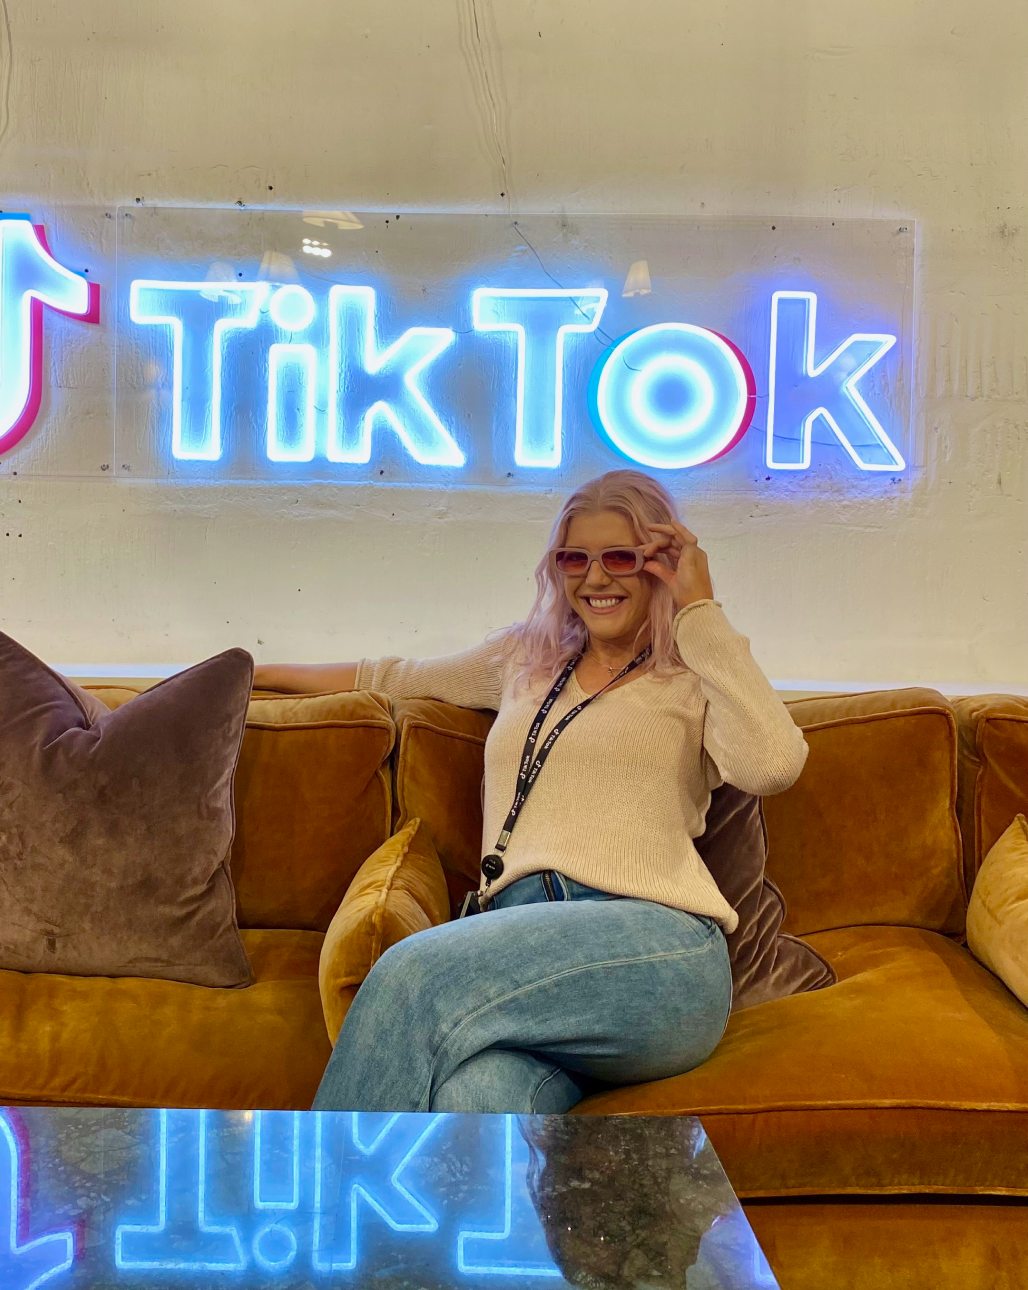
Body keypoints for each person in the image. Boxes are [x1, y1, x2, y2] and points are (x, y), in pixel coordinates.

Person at [254, 470, 807, 1114]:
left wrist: (700, 611)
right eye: (576, 558)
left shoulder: (692, 675)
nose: (595, 579)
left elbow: (774, 764)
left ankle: (323, 1211)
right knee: (476, 1100)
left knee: (410, 974)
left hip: (655, 950)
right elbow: (392, 677)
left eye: (620, 558)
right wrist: (251, 669)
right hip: (519, 944)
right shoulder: (525, 658)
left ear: (660, 565)